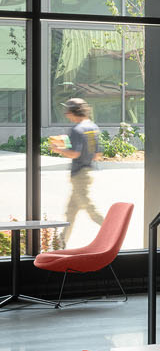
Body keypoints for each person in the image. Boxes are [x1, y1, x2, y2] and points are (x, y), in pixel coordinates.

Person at [60, 98, 104, 247]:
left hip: (79, 175)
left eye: (67, 111)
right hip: (88, 172)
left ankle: (113, 230)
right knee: (70, 212)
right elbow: (97, 154)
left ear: (74, 112)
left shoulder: (77, 130)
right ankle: (60, 244)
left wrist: (58, 149)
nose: (66, 115)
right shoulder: (93, 127)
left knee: (90, 209)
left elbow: (74, 153)